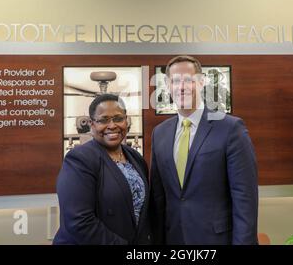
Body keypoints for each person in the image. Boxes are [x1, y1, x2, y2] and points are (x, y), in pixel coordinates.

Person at [150, 55, 258, 245]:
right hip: (174, 239)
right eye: (175, 81)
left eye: (188, 80)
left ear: (201, 82)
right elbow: (158, 197)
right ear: (167, 86)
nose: (181, 87)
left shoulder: (230, 128)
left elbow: (245, 198)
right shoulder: (160, 133)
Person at [53, 94, 151, 244]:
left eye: (118, 118)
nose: (112, 125)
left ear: (126, 121)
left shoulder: (135, 157)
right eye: (103, 120)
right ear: (92, 125)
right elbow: (79, 222)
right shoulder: (79, 160)